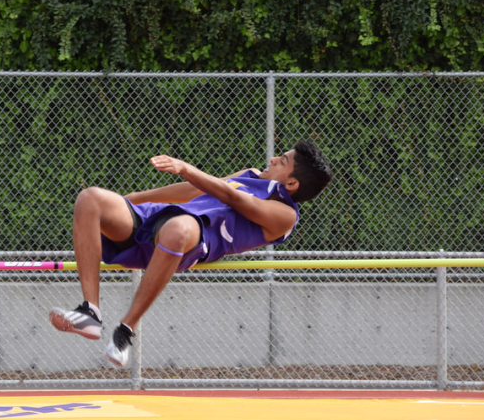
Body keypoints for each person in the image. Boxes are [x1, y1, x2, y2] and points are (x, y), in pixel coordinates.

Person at [49, 140, 332, 367]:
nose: (272, 159)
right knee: (91, 198)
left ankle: (125, 331)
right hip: (157, 217)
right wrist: (137, 198)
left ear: (292, 184)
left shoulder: (285, 216)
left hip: (193, 236)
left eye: (282, 161)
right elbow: (195, 190)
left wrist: (185, 167)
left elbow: (232, 197)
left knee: (179, 228)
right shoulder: (251, 175)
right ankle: (90, 311)